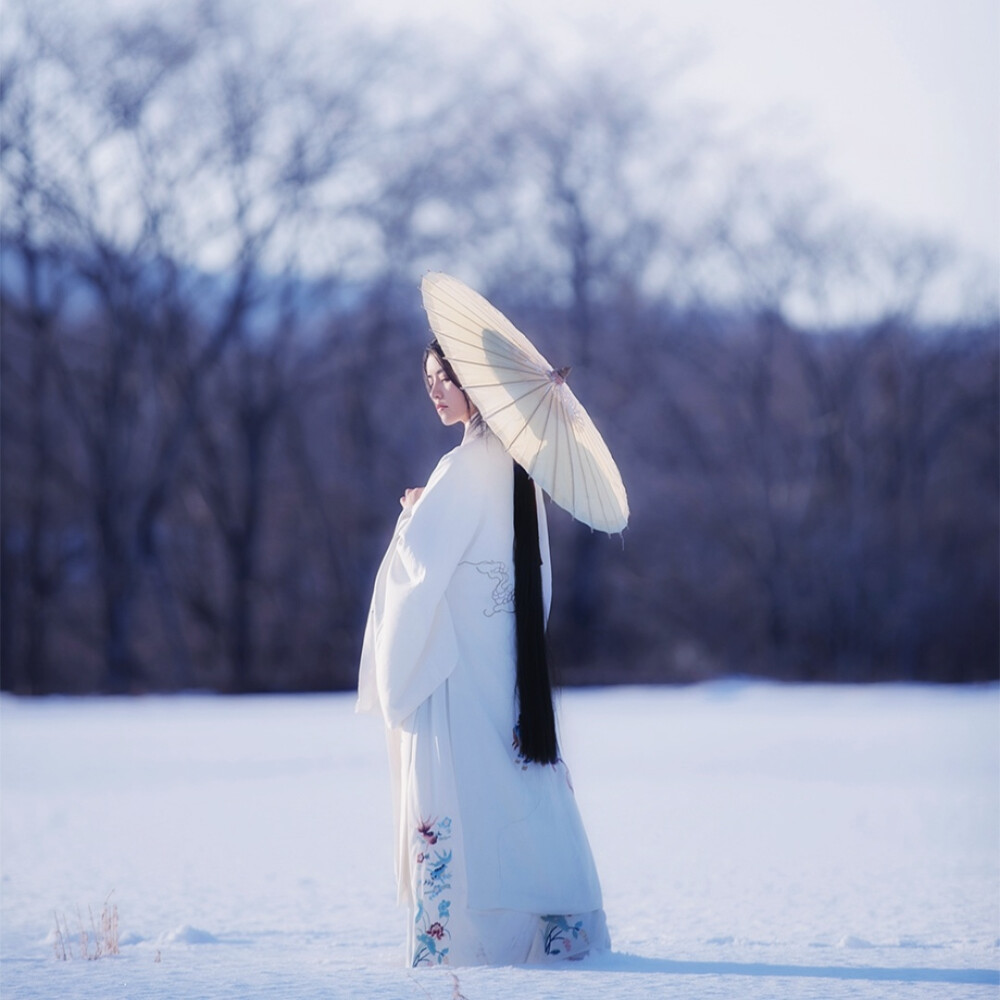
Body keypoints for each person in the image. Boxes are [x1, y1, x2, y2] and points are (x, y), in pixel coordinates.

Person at [357, 339, 609, 967]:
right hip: (502, 665)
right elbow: (533, 584)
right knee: (519, 787)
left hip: (458, 668)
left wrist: (412, 515)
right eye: (428, 378)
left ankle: (456, 943)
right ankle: (553, 930)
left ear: (477, 384)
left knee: (459, 785)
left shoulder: (464, 467)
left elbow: (419, 566)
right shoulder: (519, 467)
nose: (434, 389)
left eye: (446, 377)